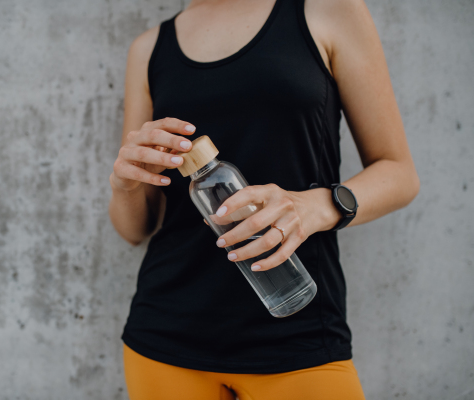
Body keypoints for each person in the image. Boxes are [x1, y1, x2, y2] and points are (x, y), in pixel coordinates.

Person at [108, 0, 419, 398]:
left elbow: (400, 174)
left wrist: (315, 206)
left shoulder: (329, 11)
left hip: (299, 330)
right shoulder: (148, 48)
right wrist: (124, 184)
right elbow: (135, 229)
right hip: (165, 335)